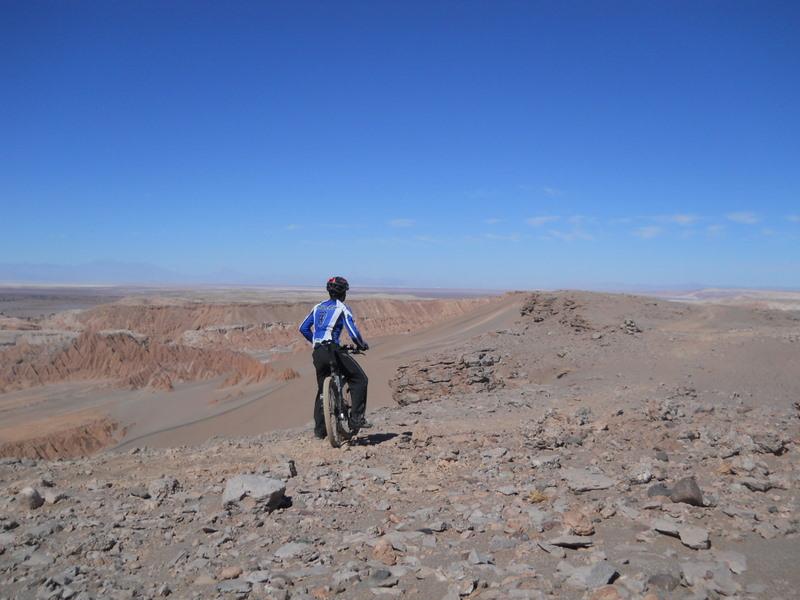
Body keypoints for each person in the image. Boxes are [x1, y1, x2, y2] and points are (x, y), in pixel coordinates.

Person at [299, 276, 371, 438]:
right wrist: (361, 344)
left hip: (318, 352)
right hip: (333, 350)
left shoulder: (318, 307)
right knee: (359, 379)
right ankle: (356, 419)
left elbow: (303, 328)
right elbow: (353, 332)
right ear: (343, 292)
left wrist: (315, 342)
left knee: (322, 391)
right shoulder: (342, 307)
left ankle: (320, 431)